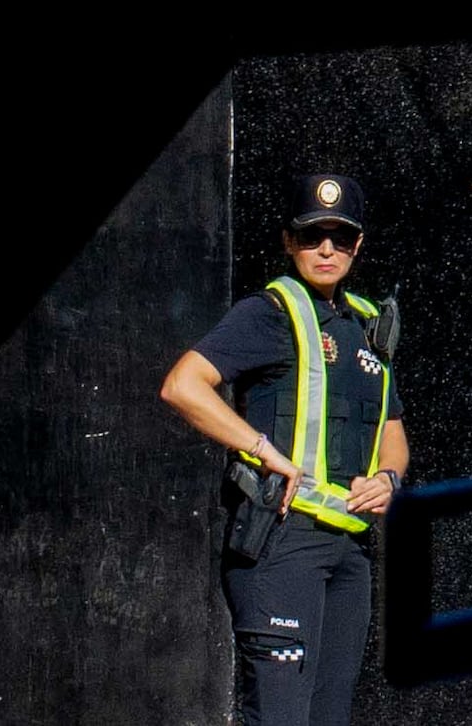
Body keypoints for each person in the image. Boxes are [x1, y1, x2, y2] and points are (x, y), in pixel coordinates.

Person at [158, 169, 406, 726]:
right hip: (280, 544)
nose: (326, 249)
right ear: (289, 241)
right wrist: (261, 448)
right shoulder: (269, 313)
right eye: (312, 235)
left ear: (357, 245)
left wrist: (389, 480)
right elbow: (183, 385)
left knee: (329, 717)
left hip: (349, 553)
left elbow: (392, 432)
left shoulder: (370, 328)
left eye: (340, 237)